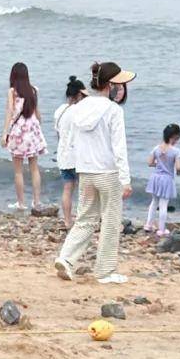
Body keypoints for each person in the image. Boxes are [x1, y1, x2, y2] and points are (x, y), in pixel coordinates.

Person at [53, 60, 134, 285]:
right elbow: (119, 147)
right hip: (108, 173)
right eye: (119, 84)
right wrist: (125, 180)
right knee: (110, 220)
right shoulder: (113, 110)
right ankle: (104, 271)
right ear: (111, 85)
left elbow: (70, 141)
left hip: (85, 171)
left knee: (85, 219)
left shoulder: (79, 108)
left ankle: (66, 258)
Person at [1, 61, 46, 211]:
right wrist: (38, 125)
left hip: (19, 131)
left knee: (18, 171)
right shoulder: (34, 90)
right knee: (34, 168)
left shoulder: (12, 92)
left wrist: (4, 134)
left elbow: (9, 113)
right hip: (32, 130)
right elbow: (38, 113)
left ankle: (21, 203)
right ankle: (36, 201)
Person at [52, 75, 85, 226]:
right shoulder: (80, 110)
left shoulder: (59, 111)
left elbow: (58, 134)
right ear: (79, 94)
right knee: (84, 191)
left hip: (63, 155)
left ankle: (67, 220)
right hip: (77, 157)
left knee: (67, 189)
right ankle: (83, 220)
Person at [144, 123, 180, 237]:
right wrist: (178, 172)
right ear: (174, 137)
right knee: (164, 204)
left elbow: (149, 162)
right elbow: (179, 167)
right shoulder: (176, 151)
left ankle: (148, 225)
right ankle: (161, 229)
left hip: (156, 177)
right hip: (166, 179)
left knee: (154, 202)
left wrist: (158, 164)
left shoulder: (156, 148)